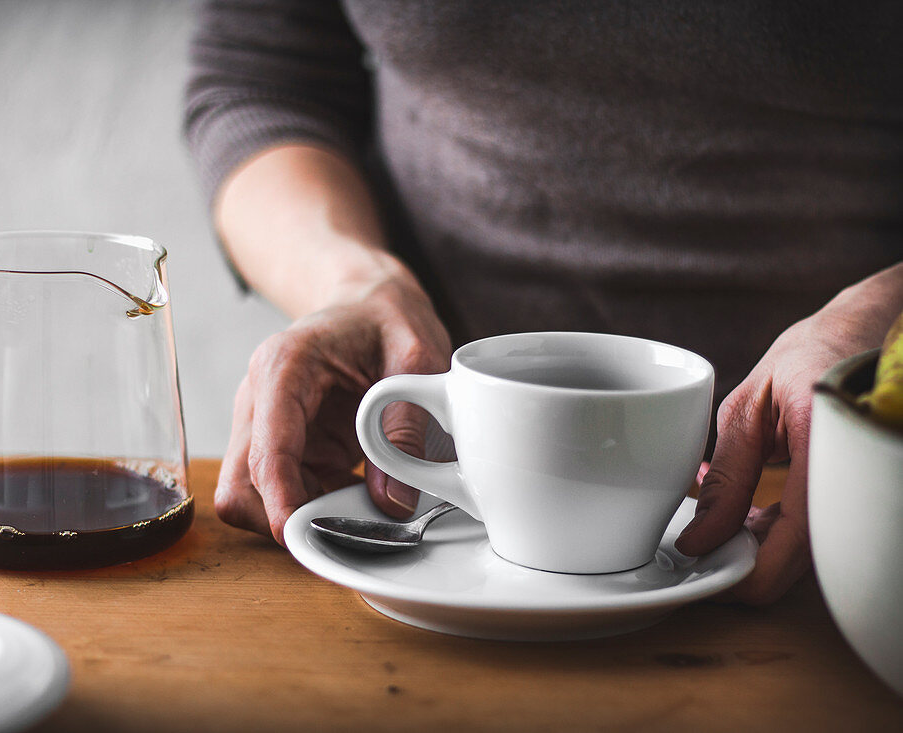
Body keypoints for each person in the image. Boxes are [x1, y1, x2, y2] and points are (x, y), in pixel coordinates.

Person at [184, 0, 903, 604]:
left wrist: (885, 318)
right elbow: (260, 81)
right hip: (450, 462)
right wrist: (351, 281)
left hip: (849, 474)